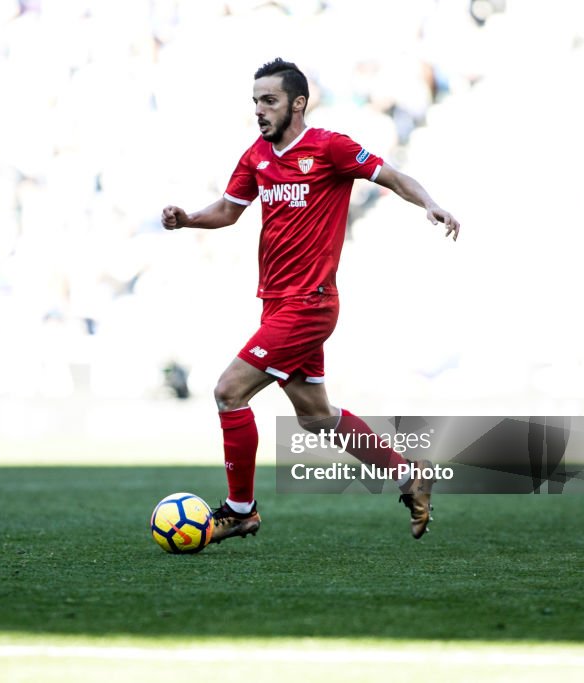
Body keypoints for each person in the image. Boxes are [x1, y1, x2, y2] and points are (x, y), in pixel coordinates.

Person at [161, 58, 460, 543]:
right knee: (316, 415)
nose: (260, 110)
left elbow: (392, 176)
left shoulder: (330, 147)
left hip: (310, 304)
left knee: (228, 392)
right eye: (256, 101)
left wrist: (430, 203)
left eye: (269, 101)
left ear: (298, 103)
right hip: (277, 303)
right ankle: (409, 474)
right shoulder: (256, 156)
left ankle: (241, 511)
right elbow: (227, 211)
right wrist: (188, 218)